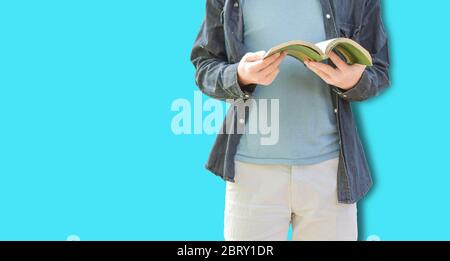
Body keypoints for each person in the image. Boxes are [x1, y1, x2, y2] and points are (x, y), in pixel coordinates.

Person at [190, 0, 390, 241]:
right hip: (250, 174)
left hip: (331, 175)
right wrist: (240, 75)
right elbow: (204, 66)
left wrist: (353, 81)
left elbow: (378, 69)